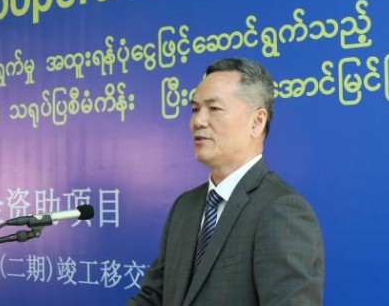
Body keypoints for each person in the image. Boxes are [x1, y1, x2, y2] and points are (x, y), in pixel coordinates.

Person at [126, 58, 324, 306]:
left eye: (214, 109)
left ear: (257, 122)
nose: (198, 121)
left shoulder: (281, 210)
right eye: (195, 109)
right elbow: (153, 297)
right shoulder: (184, 206)